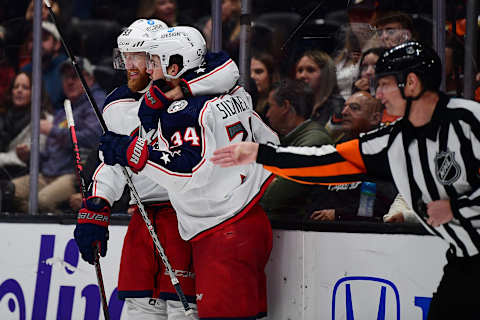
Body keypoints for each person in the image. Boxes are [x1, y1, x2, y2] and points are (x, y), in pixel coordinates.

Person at [211, 41, 480, 319]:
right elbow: (327, 161)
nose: (379, 94)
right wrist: (263, 154)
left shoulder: (470, 119)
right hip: (463, 261)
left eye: (385, 84)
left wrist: (456, 208)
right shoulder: (393, 141)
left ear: (411, 83)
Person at [98, 25, 279, 319]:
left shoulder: (183, 111)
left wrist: (134, 153)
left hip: (222, 228)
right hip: (247, 221)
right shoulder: (232, 91)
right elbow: (271, 139)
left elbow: (186, 171)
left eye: (153, 61)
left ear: (174, 65)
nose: (148, 67)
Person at [73, 20, 241, 319]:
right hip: (143, 218)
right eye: (124, 55)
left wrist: (176, 91)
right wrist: (97, 203)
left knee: (183, 309)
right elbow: (112, 162)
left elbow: (226, 68)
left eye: (137, 56)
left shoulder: (191, 91)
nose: (129, 65)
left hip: (187, 217)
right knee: (139, 306)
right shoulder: (115, 104)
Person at [8, 56, 104, 214]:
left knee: (41, 202)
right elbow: (51, 152)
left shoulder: (95, 103)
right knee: (8, 191)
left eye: (75, 76)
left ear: (90, 79)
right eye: (66, 77)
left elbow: (91, 138)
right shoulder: (63, 109)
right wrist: (30, 156)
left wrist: (52, 131)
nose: (69, 81)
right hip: (47, 174)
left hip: (73, 176)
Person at [308, 91, 396, 222]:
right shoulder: (336, 150)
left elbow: (383, 204)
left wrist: (339, 214)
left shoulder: (385, 154)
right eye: (344, 107)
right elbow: (316, 194)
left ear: (375, 118)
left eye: (354, 108)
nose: (344, 112)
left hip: (366, 234)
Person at [260, 79, 332, 220]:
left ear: (285, 106)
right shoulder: (288, 139)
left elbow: (273, 197)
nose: (267, 114)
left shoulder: (314, 143)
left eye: (270, 106)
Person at [0, 72, 52, 180]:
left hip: (28, 175)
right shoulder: (5, 118)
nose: (19, 90)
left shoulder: (44, 120)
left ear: (36, 92)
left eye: (25, 87)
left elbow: (33, 156)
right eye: (16, 87)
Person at [21, 21, 67, 110]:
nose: (37, 44)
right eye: (31, 39)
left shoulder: (68, 69)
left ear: (57, 44)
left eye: (44, 39)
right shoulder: (25, 71)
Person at [295, 50, 344, 130]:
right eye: (300, 70)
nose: (302, 75)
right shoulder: (298, 105)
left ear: (326, 73)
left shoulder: (338, 106)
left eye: (310, 70)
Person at [250, 52, 278, 121]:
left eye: (258, 71)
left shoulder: (277, 102)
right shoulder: (250, 99)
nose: (252, 76)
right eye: (251, 72)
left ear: (271, 75)